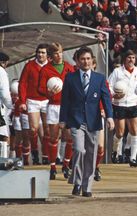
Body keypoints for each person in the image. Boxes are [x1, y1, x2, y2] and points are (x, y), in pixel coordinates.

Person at [59, 46, 114, 197]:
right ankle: (77, 182)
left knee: (91, 153)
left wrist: (109, 116)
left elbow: (106, 99)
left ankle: (86, 186)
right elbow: (65, 101)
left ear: (92, 60)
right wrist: (63, 120)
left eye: (88, 58)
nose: (86, 61)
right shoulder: (70, 78)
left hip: (94, 121)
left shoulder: (99, 78)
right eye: (82, 59)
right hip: (76, 120)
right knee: (79, 150)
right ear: (77, 61)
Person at [38, 42, 74, 180]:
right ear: (51, 55)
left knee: (69, 137)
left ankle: (66, 164)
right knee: (54, 137)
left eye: (60, 52)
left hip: (67, 106)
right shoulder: (46, 69)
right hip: (53, 106)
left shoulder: (69, 68)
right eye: (56, 53)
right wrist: (48, 92)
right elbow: (40, 88)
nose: (59, 55)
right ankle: (53, 166)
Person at [108, 50, 137, 167]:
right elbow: (108, 85)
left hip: (134, 104)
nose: (131, 60)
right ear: (125, 59)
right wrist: (114, 94)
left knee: (135, 131)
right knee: (120, 132)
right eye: (129, 57)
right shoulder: (117, 72)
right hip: (120, 104)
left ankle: (132, 157)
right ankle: (115, 152)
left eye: (133, 58)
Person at [18, 44, 50, 165]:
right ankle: (35, 153)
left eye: (43, 52)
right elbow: (22, 84)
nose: (40, 55)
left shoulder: (51, 66)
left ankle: (46, 155)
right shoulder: (29, 65)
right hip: (33, 101)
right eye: (39, 52)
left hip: (47, 100)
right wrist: (22, 101)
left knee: (47, 130)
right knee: (33, 129)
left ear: (47, 55)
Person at [0, 52, 13, 158]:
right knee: (4, 136)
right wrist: (11, 106)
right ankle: (3, 162)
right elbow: (5, 94)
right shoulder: (1, 72)